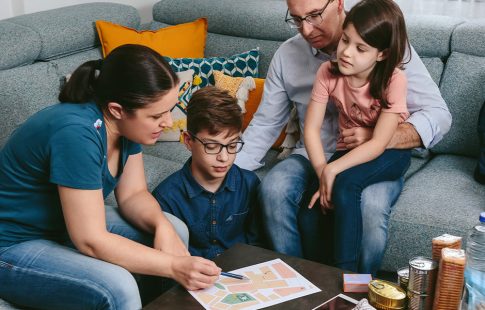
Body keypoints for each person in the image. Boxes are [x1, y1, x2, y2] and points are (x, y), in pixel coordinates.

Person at [235, 0, 452, 275]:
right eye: (297, 19)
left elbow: (439, 115)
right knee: (273, 189)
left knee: (369, 207)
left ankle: (358, 292)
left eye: (314, 16)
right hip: (313, 154)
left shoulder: (385, 43)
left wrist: (380, 137)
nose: (306, 29)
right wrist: (227, 173)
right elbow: (266, 123)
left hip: (373, 155)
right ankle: (299, 284)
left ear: (338, 4)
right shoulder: (289, 56)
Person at [0, 44, 221, 310]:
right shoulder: (76, 133)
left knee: (174, 229)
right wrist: (174, 265)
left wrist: (161, 226)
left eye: (169, 109)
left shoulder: (127, 128)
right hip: (12, 244)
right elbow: (90, 239)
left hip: (59, 226)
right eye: (156, 115)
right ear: (117, 110)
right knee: (118, 285)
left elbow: (133, 195)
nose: (168, 122)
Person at [304, 0, 412, 272]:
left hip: (389, 153)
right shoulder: (328, 72)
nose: (346, 53)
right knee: (313, 204)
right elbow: (311, 129)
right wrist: (322, 172)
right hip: (349, 150)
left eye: (360, 48)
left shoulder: (393, 80)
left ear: (382, 54)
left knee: (346, 185)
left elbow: (378, 143)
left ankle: (348, 278)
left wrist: (334, 169)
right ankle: (320, 276)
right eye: (345, 41)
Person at [152, 86, 263, 259]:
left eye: (232, 145)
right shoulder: (166, 197)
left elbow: (258, 246)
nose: (224, 157)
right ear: (188, 141)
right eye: (212, 146)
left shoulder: (249, 184)